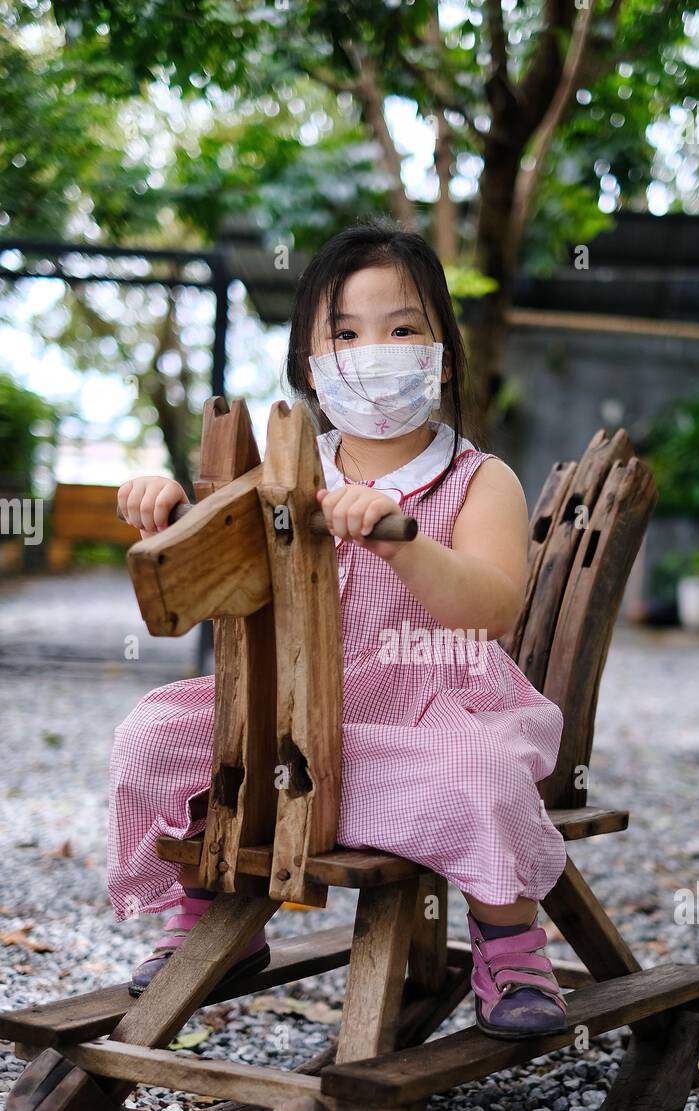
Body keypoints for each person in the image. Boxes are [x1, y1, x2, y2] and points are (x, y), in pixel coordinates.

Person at [110, 218, 569, 1039]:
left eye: (402, 330)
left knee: (482, 771)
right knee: (155, 733)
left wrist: (402, 538)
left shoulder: (479, 478)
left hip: (433, 705)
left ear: (443, 358)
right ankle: (214, 911)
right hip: (298, 713)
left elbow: (491, 607)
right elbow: (224, 551)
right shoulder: (289, 470)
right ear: (313, 371)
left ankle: (510, 944)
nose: (375, 351)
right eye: (347, 334)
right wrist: (169, 505)